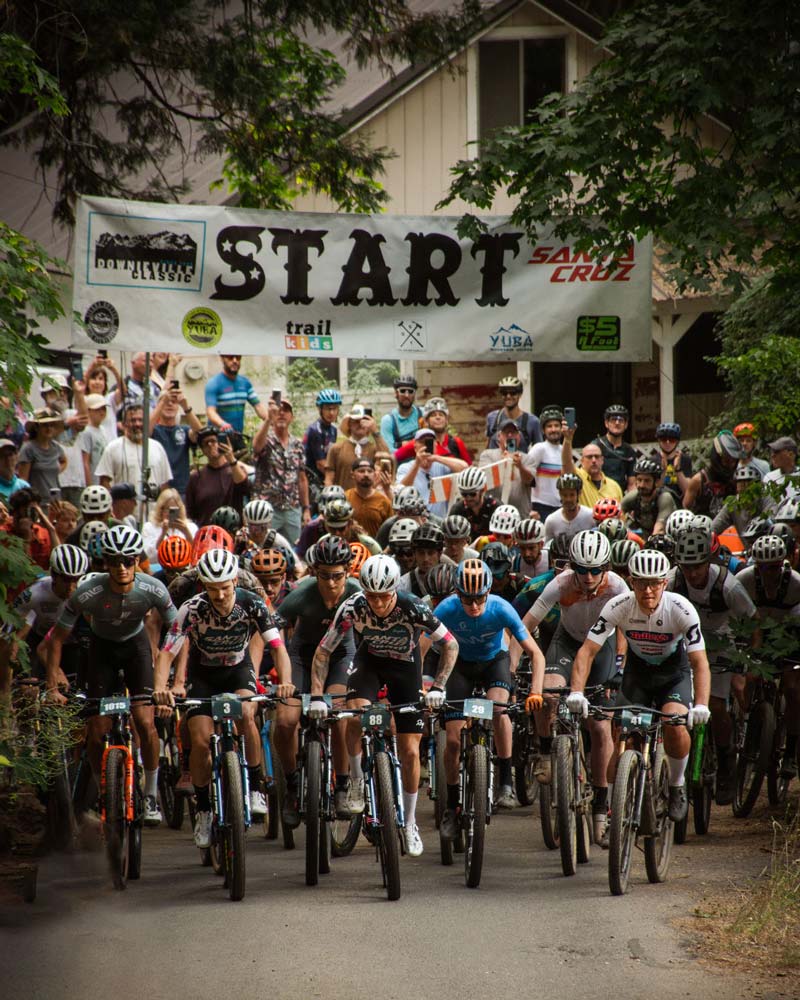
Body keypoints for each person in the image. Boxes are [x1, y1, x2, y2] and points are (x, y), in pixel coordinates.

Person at [309, 554, 460, 857]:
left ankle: (410, 821)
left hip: (406, 668)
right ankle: (355, 781)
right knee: (354, 719)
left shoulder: (413, 607)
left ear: (394, 590)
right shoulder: (353, 606)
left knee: (410, 750)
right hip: (370, 665)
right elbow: (324, 651)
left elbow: (450, 644)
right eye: (372, 597)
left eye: (383, 597)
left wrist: (439, 687)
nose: (377, 604)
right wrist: (315, 696)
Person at [153, 547, 292, 848]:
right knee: (200, 740)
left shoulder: (252, 603)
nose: (220, 596)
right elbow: (167, 653)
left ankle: (255, 787)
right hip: (202, 675)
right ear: (203, 586)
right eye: (213, 589)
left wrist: (286, 683)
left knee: (247, 714)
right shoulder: (190, 609)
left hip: (238, 670)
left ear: (235, 583)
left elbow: (278, 647)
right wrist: (161, 688)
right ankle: (203, 809)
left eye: (226, 588)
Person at [46, 525, 178, 825]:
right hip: (101, 650)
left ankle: (151, 794)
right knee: (96, 728)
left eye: (128, 560)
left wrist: (171, 678)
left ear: (137, 561)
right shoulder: (87, 592)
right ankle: (104, 787)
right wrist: (53, 685)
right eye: (114, 561)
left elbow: (177, 630)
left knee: (145, 720)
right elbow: (55, 640)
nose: (121, 567)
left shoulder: (152, 588)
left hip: (136, 647)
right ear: (104, 563)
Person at [568, 548, 712, 823]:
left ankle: (677, 785)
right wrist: (576, 691)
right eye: (641, 583)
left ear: (664, 583)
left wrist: (702, 704)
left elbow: (699, 662)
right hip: (638, 675)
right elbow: (587, 651)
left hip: (673, 675)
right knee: (623, 734)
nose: (648, 590)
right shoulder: (619, 606)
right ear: (631, 581)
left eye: (655, 583)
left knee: (674, 724)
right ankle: (613, 806)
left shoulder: (681, 609)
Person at [436, 559, 545, 825]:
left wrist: (536, 691)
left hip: (494, 661)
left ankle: (506, 782)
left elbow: (536, 654)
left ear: (488, 593)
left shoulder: (500, 608)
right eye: (467, 599)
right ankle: (452, 803)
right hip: (459, 665)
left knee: (498, 709)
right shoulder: (446, 609)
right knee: (451, 739)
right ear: (457, 594)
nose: (474, 606)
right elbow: (421, 648)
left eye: (480, 599)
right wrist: (426, 684)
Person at [271, 537, 360, 822]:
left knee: (339, 714)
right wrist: (278, 672)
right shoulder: (300, 595)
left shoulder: (358, 593)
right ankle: (293, 785)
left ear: (348, 571)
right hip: (302, 655)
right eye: (324, 575)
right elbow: (269, 633)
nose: (331, 583)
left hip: (340, 656)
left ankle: (343, 785)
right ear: (313, 571)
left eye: (338, 576)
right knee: (285, 721)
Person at [667, 526, 758, 803]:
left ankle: (726, 760)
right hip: (685, 641)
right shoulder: (673, 580)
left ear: (710, 561)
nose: (692, 573)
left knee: (716, 706)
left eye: (698, 566)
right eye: (686, 566)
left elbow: (754, 623)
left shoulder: (727, 585)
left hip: (721, 643)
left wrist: (749, 662)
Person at [736, 534, 800, 779]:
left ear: (784, 562)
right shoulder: (744, 580)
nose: (769, 573)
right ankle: (748, 720)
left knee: (793, 689)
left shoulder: (795, 583)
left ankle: (791, 752)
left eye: (774, 567)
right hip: (756, 636)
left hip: (790, 637)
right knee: (749, 678)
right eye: (762, 568)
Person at [252, 397, 310, 543]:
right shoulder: (267, 439)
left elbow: (302, 478)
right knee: (263, 548)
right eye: (278, 410)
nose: (282, 413)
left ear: (292, 417)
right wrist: (268, 420)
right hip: (268, 509)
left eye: (286, 411)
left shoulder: (297, 444)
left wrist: (306, 508)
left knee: (293, 551)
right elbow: (257, 447)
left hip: (292, 508)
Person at [95, 403, 173, 495]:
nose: (137, 424)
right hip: (123, 508)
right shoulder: (112, 448)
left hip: (152, 508)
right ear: (124, 424)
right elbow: (104, 482)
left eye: (141, 420)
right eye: (132, 420)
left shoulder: (158, 447)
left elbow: (164, 484)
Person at [184, 425, 249, 526]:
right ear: (202, 450)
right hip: (207, 534)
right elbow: (190, 513)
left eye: (214, 441)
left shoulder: (235, 470)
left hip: (232, 533)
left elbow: (244, 487)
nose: (210, 445)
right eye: (205, 443)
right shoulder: (196, 478)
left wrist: (231, 459)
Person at [396, 427, 467, 518]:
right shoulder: (405, 467)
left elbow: (464, 468)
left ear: (436, 445)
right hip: (416, 520)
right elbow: (401, 490)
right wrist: (417, 463)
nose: (425, 446)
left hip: (440, 521)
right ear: (415, 447)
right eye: (422, 442)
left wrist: (436, 458)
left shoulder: (442, 465)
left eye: (429, 442)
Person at [150, 381, 202, 499]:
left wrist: (185, 407)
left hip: (182, 489)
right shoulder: (155, 430)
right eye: (166, 403)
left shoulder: (184, 430)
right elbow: (145, 432)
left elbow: (201, 434)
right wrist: (162, 400)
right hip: (158, 489)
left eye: (173, 402)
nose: (169, 405)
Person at [477, 417, 536, 517]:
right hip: (493, 515)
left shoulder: (528, 459)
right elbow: (484, 480)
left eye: (513, 433)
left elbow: (529, 481)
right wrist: (504, 463)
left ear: (519, 437)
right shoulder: (487, 455)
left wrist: (520, 466)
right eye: (506, 433)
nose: (510, 435)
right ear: (499, 437)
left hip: (520, 515)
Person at [325, 405, 391, 490]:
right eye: (356, 421)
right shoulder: (336, 449)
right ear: (349, 424)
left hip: (368, 498)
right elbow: (329, 478)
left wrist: (375, 431)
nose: (360, 424)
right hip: (343, 499)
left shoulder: (374, 449)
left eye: (363, 421)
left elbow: (386, 457)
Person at [204, 354, 269, 439]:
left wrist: (271, 420)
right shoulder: (214, 383)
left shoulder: (245, 383)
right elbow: (210, 412)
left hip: (237, 436)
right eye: (230, 357)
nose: (235, 361)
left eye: (238, 357)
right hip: (218, 438)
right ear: (222, 359)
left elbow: (258, 406)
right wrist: (223, 424)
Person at [392, 397, 471, 466]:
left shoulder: (456, 442)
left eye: (441, 415)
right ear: (426, 421)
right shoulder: (419, 443)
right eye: (433, 415)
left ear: (447, 420)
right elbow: (393, 457)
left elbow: (469, 467)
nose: (438, 417)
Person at [561, 424, 623, 508]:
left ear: (602, 460)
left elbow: (621, 515)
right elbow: (566, 462)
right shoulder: (577, 478)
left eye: (597, 457)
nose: (593, 460)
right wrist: (568, 439)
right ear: (582, 461)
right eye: (589, 457)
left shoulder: (614, 486)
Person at [684, 431, 742, 516]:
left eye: (734, 461)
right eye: (727, 461)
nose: (731, 465)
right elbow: (686, 508)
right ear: (717, 458)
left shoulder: (737, 480)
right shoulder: (699, 480)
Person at [2, 487, 57, 571]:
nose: (32, 514)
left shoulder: (41, 533)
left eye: (35, 510)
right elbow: (25, 571)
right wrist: (26, 538)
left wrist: (51, 529)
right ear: (16, 512)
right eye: (28, 510)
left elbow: (57, 562)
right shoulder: (3, 534)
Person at [17, 408, 67, 499]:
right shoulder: (28, 449)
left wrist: (53, 470)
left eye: (51, 425)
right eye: (45, 425)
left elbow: (64, 461)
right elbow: (23, 480)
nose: (49, 428)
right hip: (37, 501)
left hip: (55, 500)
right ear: (36, 427)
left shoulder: (56, 447)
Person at [621, 457, 676, 536]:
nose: (642, 485)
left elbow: (659, 528)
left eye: (647, 481)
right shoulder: (633, 496)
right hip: (643, 537)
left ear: (657, 482)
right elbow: (618, 514)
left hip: (664, 538)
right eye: (639, 480)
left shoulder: (664, 498)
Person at [528, 406, 566, 519]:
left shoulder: (564, 449)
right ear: (543, 430)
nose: (553, 429)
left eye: (556, 426)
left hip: (561, 506)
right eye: (549, 426)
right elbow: (526, 478)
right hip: (541, 506)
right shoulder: (539, 448)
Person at [485, 375, 542, 450]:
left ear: (520, 394)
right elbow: (487, 446)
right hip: (496, 460)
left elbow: (539, 451)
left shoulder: (533, 421)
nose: (508, 396)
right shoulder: (492, 417)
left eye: (513, 393)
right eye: (504, 393)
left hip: (520, 460)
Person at [142, 487, 197, 564]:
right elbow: (149, 557)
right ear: (161, 509)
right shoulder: (149, 527)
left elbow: (196, 554)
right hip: (158, 568)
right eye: (167, 509)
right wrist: (163, 533)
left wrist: (186, 532)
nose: (169, 513)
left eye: (173, 509)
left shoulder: (190, 527)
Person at [592, 404, 637, 492]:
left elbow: (632, 483)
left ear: (626, 424)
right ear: (606, 423)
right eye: (613, 420)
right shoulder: (596, 446)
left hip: (619, 496)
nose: (617, 423)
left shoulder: (629, 451)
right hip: (597, 494)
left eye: (621, 420)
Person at [345, 457, 393, 537]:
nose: (366, 474)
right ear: (352, 474)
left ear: (375, 474)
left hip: (375, 548)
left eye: (370, 471)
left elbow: (390, 529)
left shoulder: (384, 501)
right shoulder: (346, 497)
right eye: (361, 471)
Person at [397, 523, 448, 598]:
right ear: (414, 553)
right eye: (421, 553)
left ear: (439, 553)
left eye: (430, 553)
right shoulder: (403, 584)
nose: (426, 559)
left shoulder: (451, 579)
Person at [448, 466, 499, 538]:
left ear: (482, 490)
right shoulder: (457, 510)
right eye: (464, 494)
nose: (468, 498)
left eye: (472, 494)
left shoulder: (495, 508)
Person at [543, 473, 595, 542]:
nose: (568, 499)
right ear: (560, 494)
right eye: (564, 495)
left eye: (572, 495)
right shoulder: (551, 521)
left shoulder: (590, 516)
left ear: (579, 493)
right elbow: (547, 546)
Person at [652, 422, 693, 504]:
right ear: (659, 441)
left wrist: (678, 470)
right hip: (660, 504)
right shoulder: (652, 461)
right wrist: (663, 471)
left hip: (680, 505)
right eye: (664, 439)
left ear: (677, 441)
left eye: (672, 440)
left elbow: (687, 491)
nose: (668, 442)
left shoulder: (685, 459)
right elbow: (654, 492)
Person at [304, 388, 341, 476]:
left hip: (324, 474)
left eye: (334, 408)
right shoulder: (315, 430)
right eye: (328, 409)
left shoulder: (333, 430)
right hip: (310, 476)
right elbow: (320, 464)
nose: (331, 413)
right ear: (320, 409)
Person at [380, 375, 422, 451]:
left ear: (415, 394)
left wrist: (401, 445)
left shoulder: (423, 413)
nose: (407, 395)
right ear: (396, 393)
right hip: (400, 461)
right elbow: (390, 451)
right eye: (402, 391)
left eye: (410, 391)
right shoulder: (388, 420)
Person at [79, 394, 111, 484]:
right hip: (93, 481)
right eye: (97, 409)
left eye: (103, 409)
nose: (102, 412)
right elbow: (85, 461)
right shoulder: (86, 431)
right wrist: (90, 485)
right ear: (88, 411)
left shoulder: (103, 430)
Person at [763, 436, 799, 510]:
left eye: (777, 452)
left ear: (791, 454)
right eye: (772, 452)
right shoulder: (769, 477)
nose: (773, 455)